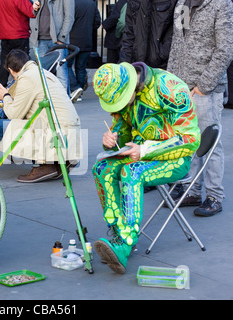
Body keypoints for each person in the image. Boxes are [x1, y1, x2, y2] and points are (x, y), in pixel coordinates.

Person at [92, 62, 201, 274]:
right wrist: (110, 141)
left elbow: (190, 140)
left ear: (130, 87)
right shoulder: (123, 95)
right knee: (102, 168)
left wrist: (145, 151)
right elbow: (122, 134)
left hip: (175, 157)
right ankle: (117, 231)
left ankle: (125, 242)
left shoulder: (169, 87)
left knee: (132, 172)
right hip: (139, 152)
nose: (118, 108)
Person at [167, 0, 233, 217]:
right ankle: (193, 190)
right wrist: (170, 82)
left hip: (204, 89)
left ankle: (215, 195)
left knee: (210, 144)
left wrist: (203, 86)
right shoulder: (184, 4)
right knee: (189, 143)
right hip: (181, 88)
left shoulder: (222, 5)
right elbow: (177, 46)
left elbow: (227, 49)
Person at [0, 49, 82, 183]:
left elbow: (14, 114)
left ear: (11, 70)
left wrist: (5, 96)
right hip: (67, 126)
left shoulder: (27, 77)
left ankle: (44, 165)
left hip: (54, 129)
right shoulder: (42, 72)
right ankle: (58, 162)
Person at [29, 0, 75, 94]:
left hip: (57, 41)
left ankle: (64, 102)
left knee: (61, 71)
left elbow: (69, 17)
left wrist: (62, 38)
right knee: (43, 73)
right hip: (40, 40)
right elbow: (32, 14)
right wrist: (34, 9)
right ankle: (48, 101)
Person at [0, 0, 41, 88]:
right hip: (19, 34)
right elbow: (31, 12)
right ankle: (23, 87)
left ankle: (1, 87)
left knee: (4, 64)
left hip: (5, 35)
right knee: (23, 64)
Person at [119, 0, 177, 69]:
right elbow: (129, 32)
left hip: (162, 67)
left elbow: (178, 32)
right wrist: (124, 64)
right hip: (137, 66)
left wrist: (161, 54)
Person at [67, 0, 101, 103]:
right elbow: (97, 22)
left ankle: (74, 88)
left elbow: (67, 20)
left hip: (72, 40)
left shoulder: (71, 3)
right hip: (86, 40)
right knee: (81, 67)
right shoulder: (92, 4)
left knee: (66, 65)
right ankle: (79, 91)